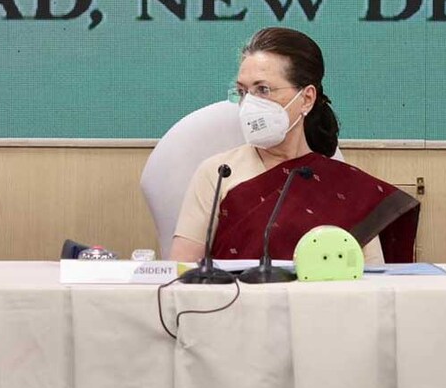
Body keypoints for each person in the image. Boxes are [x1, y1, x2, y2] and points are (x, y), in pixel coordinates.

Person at [169, 27, 420, 264]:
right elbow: (182, 271)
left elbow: (373, 280)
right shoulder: (218, 172)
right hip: (232, 306)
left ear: (306, 98)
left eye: (263, 89)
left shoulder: (346, 187)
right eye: (242, 91)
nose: (250, 104)